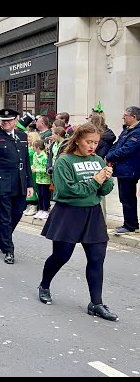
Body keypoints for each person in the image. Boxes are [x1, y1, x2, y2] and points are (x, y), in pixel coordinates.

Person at [38, 123, 118, 321]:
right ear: (77, 141)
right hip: (69, 214)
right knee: (61, 256)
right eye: (88, 142)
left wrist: (107, 179)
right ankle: (44, 285)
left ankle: (96, 303)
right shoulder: (64, 161)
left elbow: (103, 191)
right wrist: (95, 181)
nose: (92, 146)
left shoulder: (98, 159)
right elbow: (67, 191)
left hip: (93, 214)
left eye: (96, 143)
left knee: (97, 259)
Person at [0, 108, 34, 264]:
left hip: (20, 182)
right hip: (3, 183)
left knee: (18, 213)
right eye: (3, 121)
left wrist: (29, 183)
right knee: (5, 217)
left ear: (15, 121)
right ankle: (9, 250)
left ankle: (1, 238)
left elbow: (26, 161)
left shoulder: (22, 136)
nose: (5, 123)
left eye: (9, 121)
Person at [105, 106, 140, 235]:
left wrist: (109, 157)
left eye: (125, 115)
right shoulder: (127, 130)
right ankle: (130, 223)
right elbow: (116, 145)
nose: (123, 117)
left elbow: (127, 149)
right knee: (124, 197)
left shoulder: (137, 132)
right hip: (122, 169)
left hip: (130, 170)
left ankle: (130, 225)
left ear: (134, 117)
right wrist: (108, 156)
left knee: (127, 198)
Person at [31, 139, 51, 220]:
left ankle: (45, 210)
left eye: (34, 146)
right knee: (39, 194)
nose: (33, 148)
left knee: (45, 195)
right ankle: (40, 209)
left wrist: (36, 170)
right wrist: (32, 167)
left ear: (38, 147)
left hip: (45, 180)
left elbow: (46, 169)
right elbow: (34, 164)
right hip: (38, 178)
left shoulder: (44, 156)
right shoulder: (35, 155)